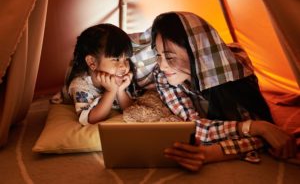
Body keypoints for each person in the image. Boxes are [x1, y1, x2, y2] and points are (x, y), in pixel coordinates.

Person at [149, 12, 296, 171]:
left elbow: (268, 133)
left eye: (170, 57)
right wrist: (256, 127)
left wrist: (212, 152)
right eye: (158, 56)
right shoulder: (162, 75)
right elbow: (194, 127)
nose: (162, 65)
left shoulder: (235, 66)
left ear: (197, 53)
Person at [66, 23, 135, 125]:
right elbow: (91, 119)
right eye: (116, 59)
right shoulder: (80, 85)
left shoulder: (119, 77)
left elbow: (132, 111)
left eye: (126, 59)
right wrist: (111, 92)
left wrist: (120, 91)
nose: (124, 66)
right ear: (92, 62)